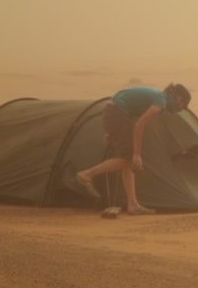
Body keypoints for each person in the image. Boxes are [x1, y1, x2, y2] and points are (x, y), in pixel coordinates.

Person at [76, 83, 191, 215]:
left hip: (113, 111)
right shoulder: (160, 101)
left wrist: (111, 131)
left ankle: (132, 204)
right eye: (183, 105)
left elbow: (129, 106)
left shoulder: (158, 96)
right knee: (130, 160)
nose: (180, 109)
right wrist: (137, 153)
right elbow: (139, 125)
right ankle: (86, 174)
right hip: (116, 113)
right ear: (178, 98)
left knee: (128, 161)